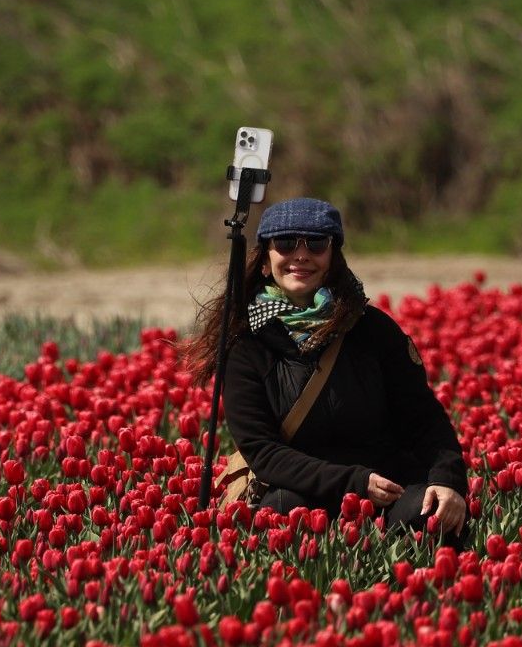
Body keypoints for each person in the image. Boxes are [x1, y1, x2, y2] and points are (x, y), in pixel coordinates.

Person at [185, 196, 470, 550]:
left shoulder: (372, 330)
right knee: (281, 518)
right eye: (286, 243)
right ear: (264, 260)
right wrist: (354, 483)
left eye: (316, 244)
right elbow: (264, 452)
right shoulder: (247, 345)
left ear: (333, 255)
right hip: (299, 489)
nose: (301, 255)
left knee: (434, 516)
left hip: (387, 484)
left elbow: (425, 419)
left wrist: (448, 480)